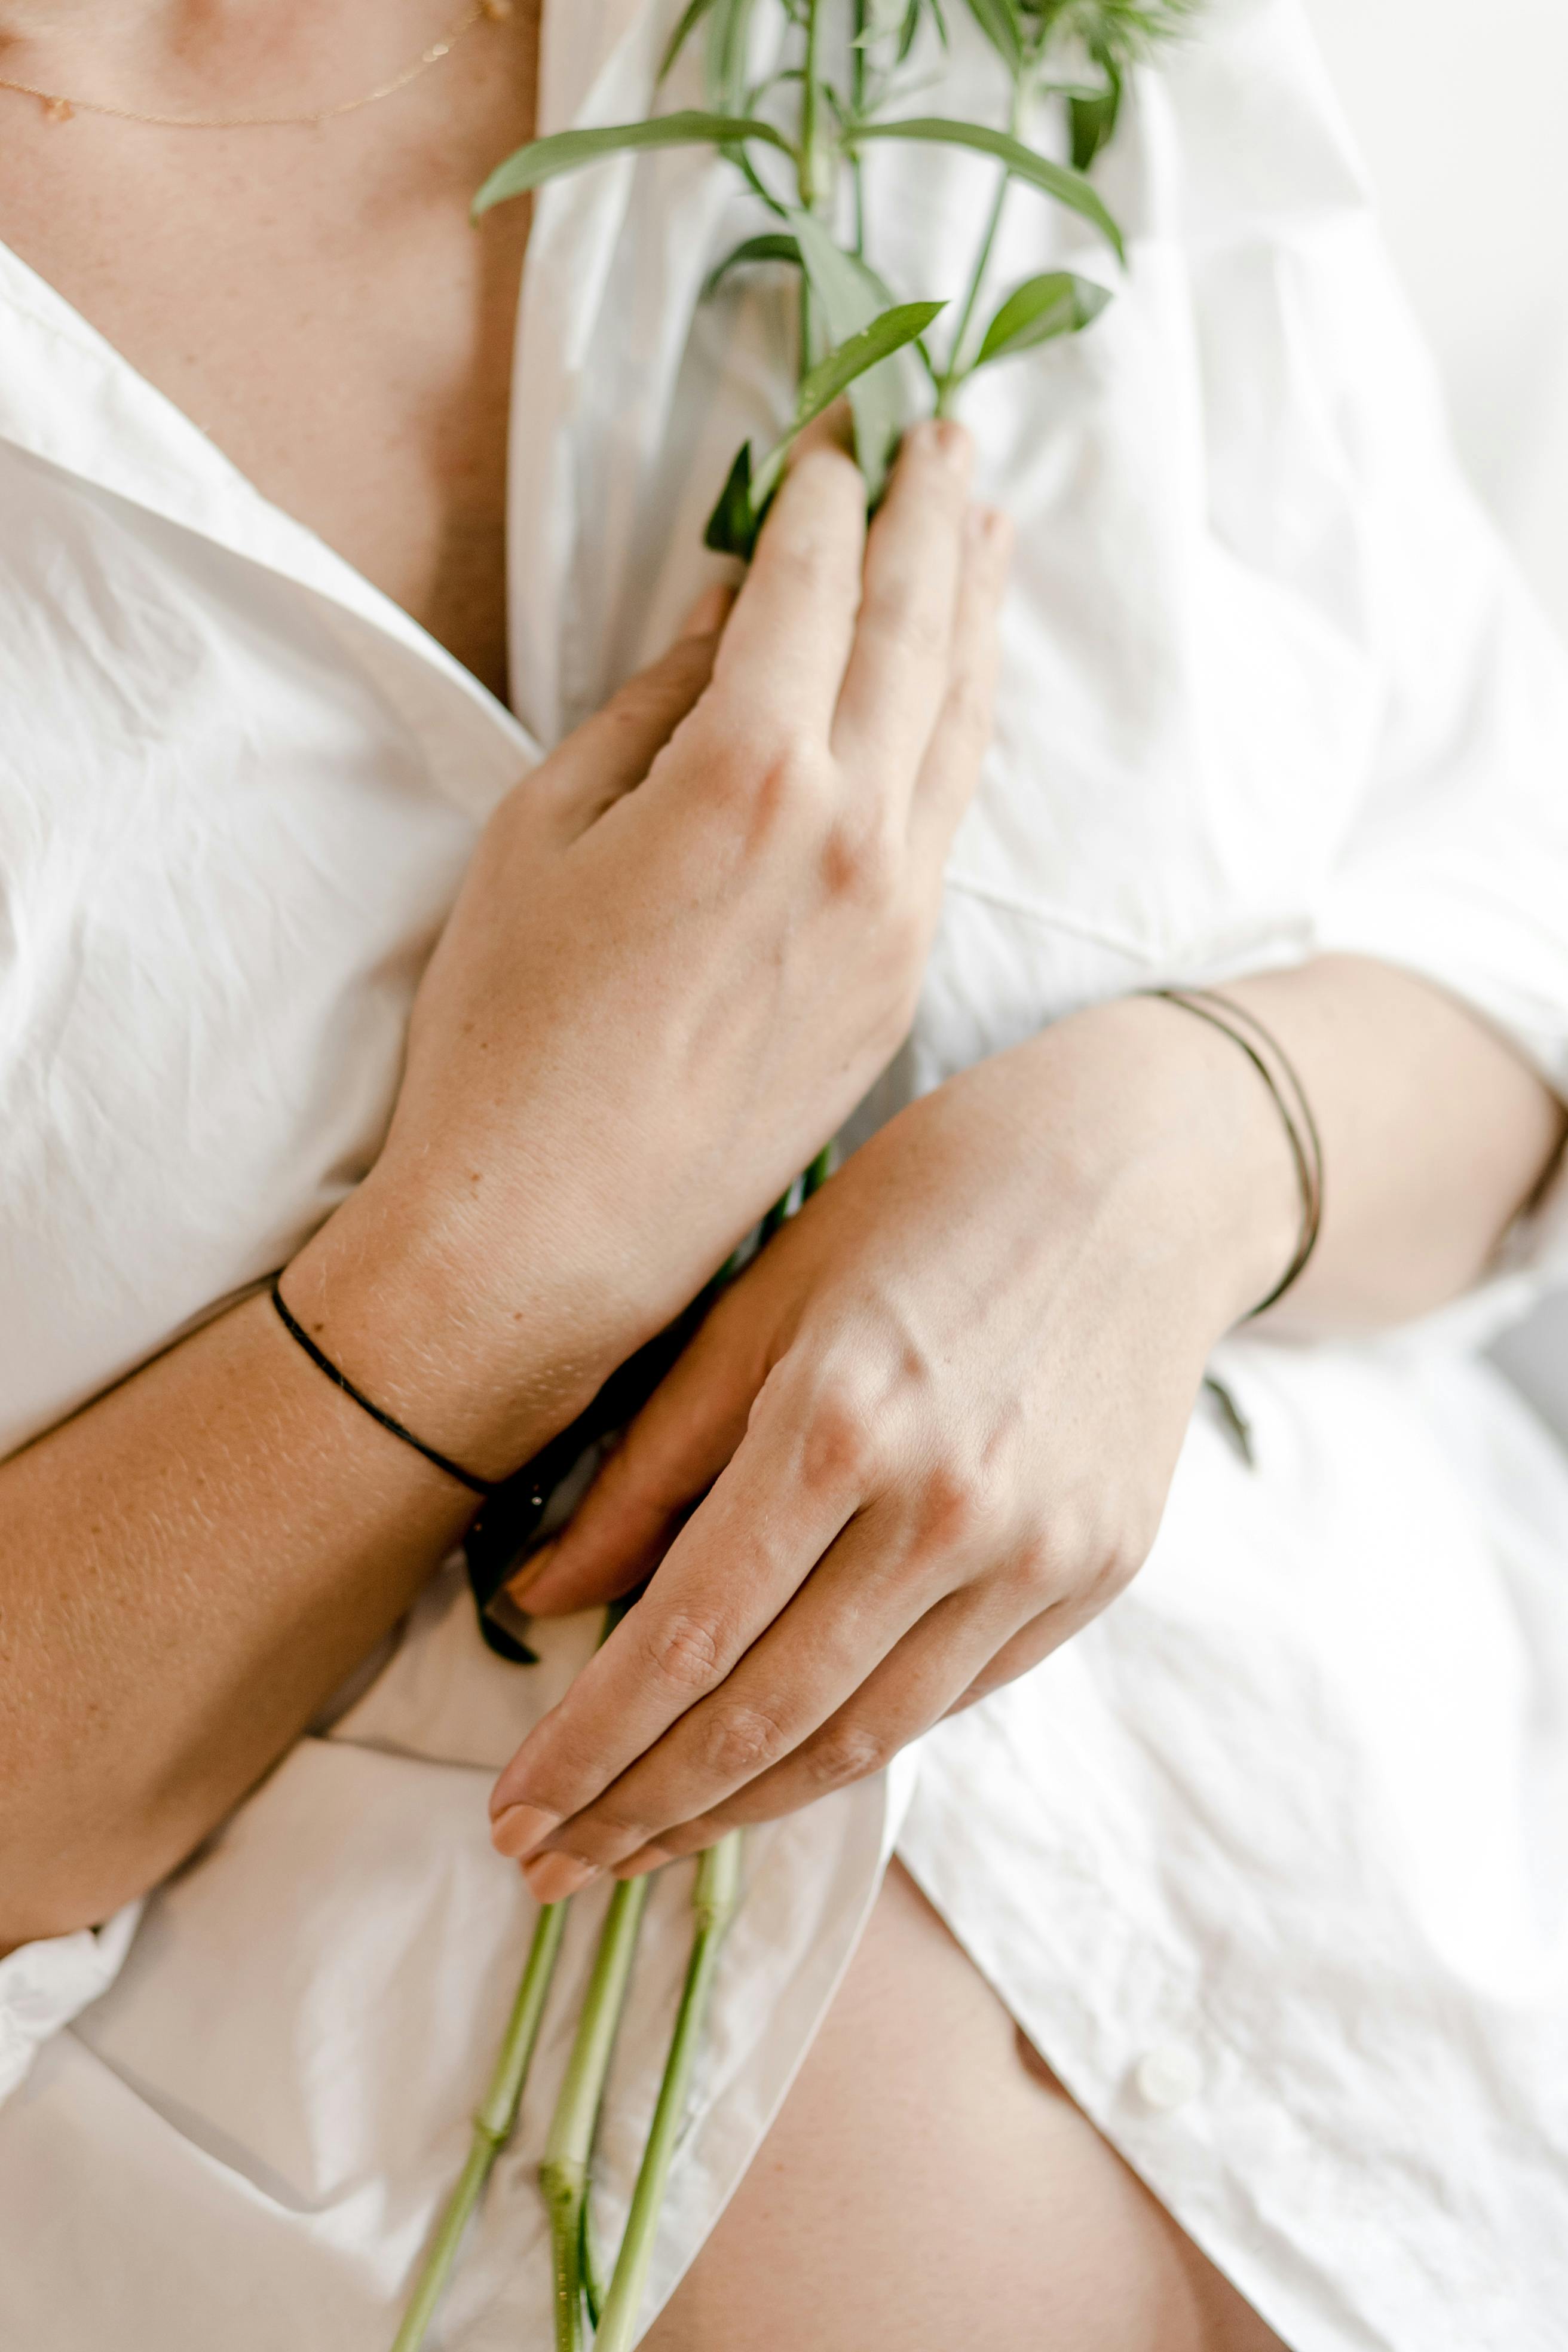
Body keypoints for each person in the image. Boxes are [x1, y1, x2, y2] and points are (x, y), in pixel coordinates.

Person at [1, 2, 1565, 2347]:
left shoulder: (982, 39)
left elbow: (1492, 890)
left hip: (1441, 2095)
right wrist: (491, 1262)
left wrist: (1169, 1148)